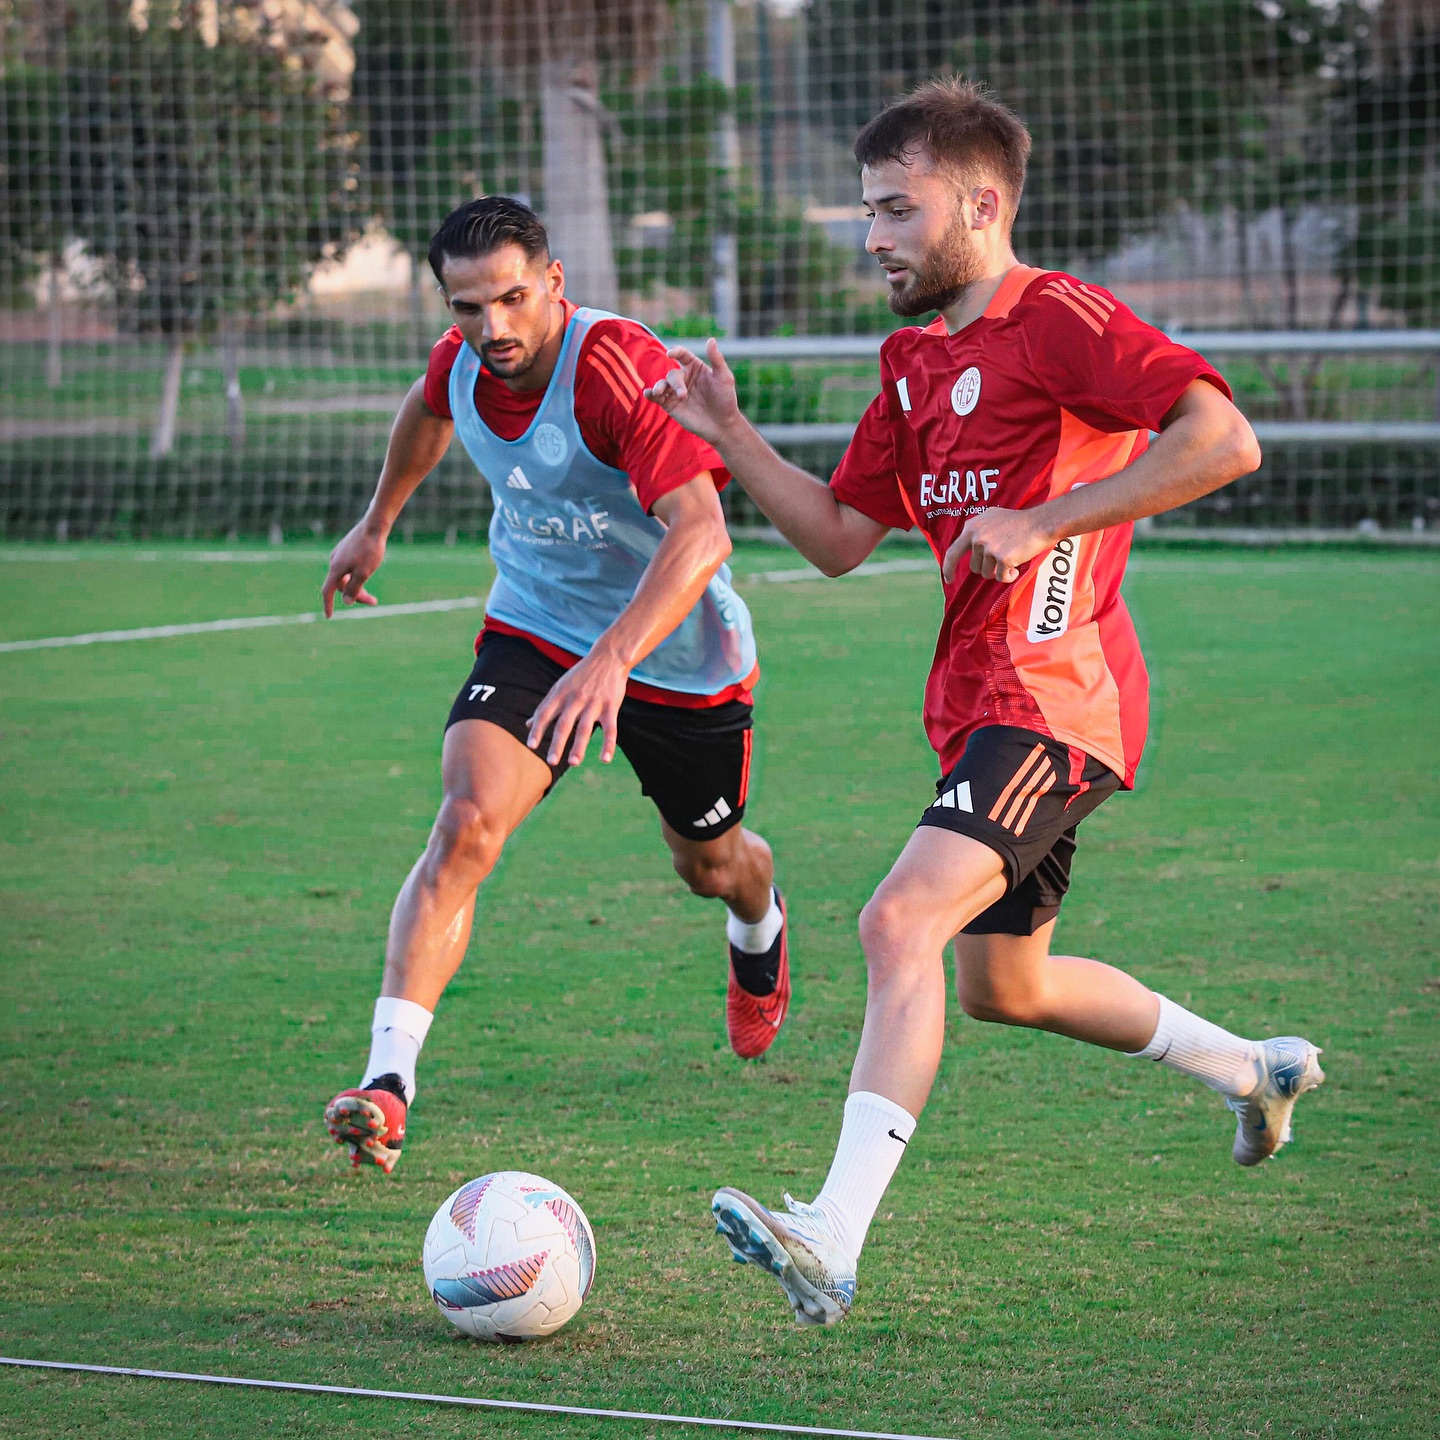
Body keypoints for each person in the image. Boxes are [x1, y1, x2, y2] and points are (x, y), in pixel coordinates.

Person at [645, 78, 1324, 1326]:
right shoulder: (913, 363)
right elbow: (844, 536)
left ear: (983, 203)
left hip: (1058, 696)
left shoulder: (1057, 318)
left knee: (896, 923)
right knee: (1001, 986)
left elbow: (1225, 439)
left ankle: (831, 1238)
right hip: (977, 708)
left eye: (898, 210)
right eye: (868, 212)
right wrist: (732, 433)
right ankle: (1252, 1067)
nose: (875, 238)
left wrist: (1049, 517)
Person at [320, 197, 791, 1175]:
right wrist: (377, 524)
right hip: (535, 629)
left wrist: (612, 660)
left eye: (511, 298)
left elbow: (703, 534)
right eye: (465, 307)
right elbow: (426, 408)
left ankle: (759, 918)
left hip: (676, 659)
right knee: (465, 823)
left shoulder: (615, 368)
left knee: (709, 863)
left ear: (555, 285)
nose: (491, 327)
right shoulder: (462, 361)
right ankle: (388, 1082)